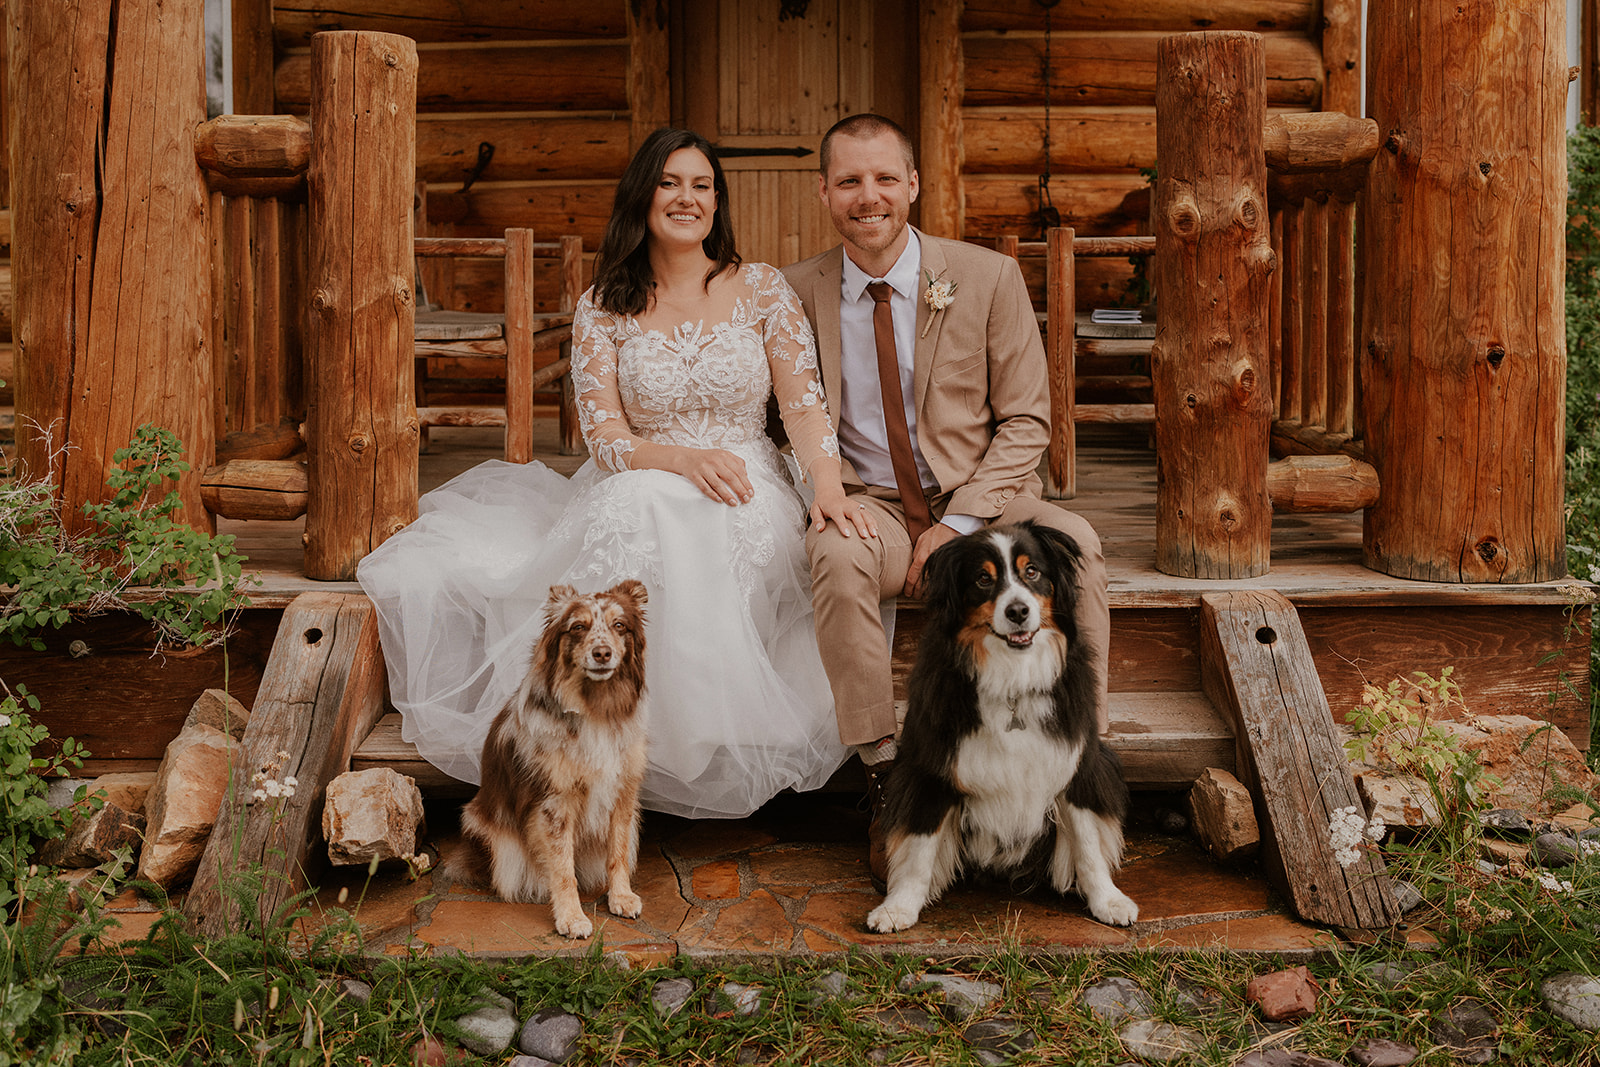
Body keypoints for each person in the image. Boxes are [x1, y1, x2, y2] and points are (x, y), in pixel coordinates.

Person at [359, 128, 873, 819]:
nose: (686, 198)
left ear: (718, 203)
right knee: (650, 508)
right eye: (669, 182)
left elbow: (805, 409)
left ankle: (702, 727)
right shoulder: (604, 302)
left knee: (720, 515)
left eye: (701, 185)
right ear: (642, 196)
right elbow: (605, 437)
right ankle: (614, 728)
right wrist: (682, 459)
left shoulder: (762, 290)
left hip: (746, 474)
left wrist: (829, 486)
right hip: (642, 469)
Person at [781, 114, 1113, 871]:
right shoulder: (794, 291)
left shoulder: (987, 276)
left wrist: (958, 521)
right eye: (851, 180)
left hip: (987, 499)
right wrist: (819, 488)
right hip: (872, 503)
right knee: (833, 552)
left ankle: (1077, 760)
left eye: (885, 178)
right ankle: (885, 775)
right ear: (824, 190)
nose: (870, 197)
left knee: (1082, 550)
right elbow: (778, 420)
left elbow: (1029, 420)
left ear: (915, 185)